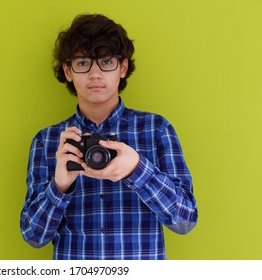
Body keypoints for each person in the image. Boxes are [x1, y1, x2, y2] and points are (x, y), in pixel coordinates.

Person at [20, 14, 198, 260]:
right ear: (68, 70)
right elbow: (33, 236)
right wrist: (59, 187)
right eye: (83, 63)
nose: (95, 74)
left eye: (105, 61)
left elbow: (185, 220)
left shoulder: (156, 129)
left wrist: (137, 168)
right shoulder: (49, 140)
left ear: (122, 67)